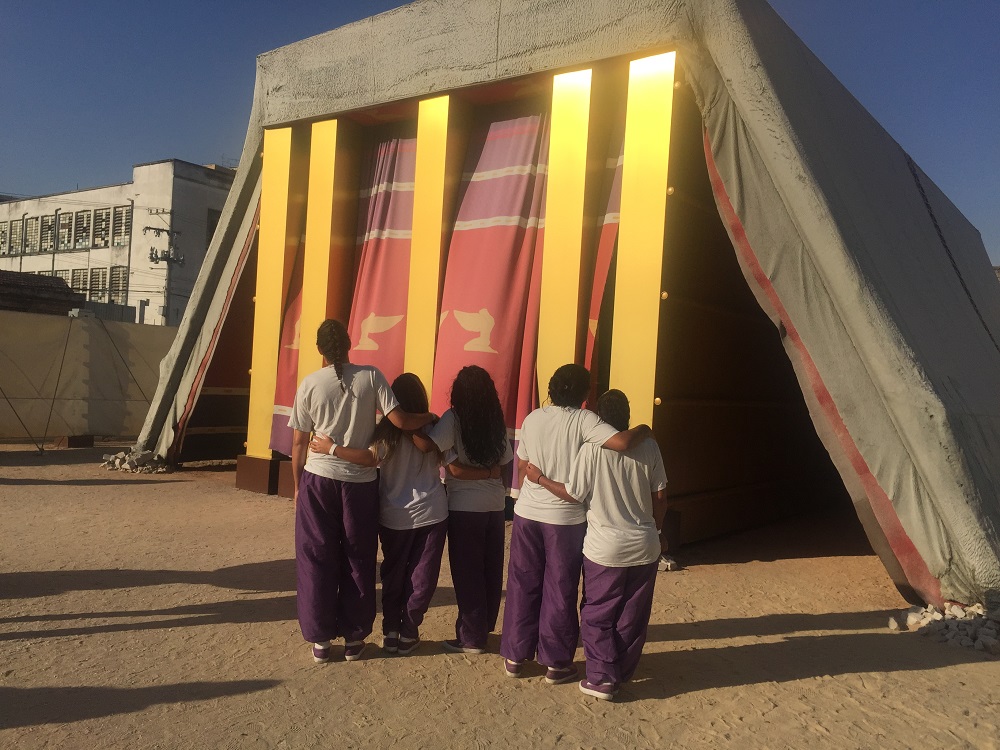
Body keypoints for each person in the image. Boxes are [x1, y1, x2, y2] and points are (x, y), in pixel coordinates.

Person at [289, 320, 434, 664]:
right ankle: (355, 638)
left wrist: (297, 487)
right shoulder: (371, 376)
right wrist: (429, 415)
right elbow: (399, 420)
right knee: (359, 556)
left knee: (316, 557)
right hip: (360, 485)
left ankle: (321, 640)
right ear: (350, 344)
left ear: (319, 349)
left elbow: (297, 442)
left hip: (319, 479)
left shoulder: (309, 384)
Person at [499, 364, 652, 685]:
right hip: (565, 521)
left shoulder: (532, 418)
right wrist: (643, 428)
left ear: (553, 388)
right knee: (560, 588)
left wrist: (540, 477)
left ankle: (515, 654)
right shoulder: (585, 421)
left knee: (523, 582)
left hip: (527, 513)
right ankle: (556, 663)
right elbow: (622, 443)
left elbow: (525, 465)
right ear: (584, 394)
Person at [526, 389, 667, 701]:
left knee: (597, 614)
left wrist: (539, 479)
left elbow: (574, 493)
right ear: (628, 416)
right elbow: (660, 495)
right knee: (632, 614)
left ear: (599, 418)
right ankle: (621, 670)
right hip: (644, 545)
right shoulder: (649, 446)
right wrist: (658, 529)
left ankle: (602, 677)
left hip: (605, 548)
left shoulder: (592, 449)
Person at [311, 372, 447, 657]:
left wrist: (331, 448)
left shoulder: (383, 431)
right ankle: (408, 630)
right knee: (422, 578)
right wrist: (425, 418)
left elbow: (369, 458)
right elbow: (440, 452)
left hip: (392, 515)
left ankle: (391, 632)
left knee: (393, 575)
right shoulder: (434, 425)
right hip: (432, 513)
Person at [424, 365, 512, 655]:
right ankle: (483, 626)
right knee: (489, 569)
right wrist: (488, 473)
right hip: (495, 507)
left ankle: (471, 637)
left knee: (467, 572)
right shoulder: (495, 420)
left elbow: (433, 448)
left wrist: (419, 423)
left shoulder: (454, 418)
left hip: (464, 507)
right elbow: (503, 463)